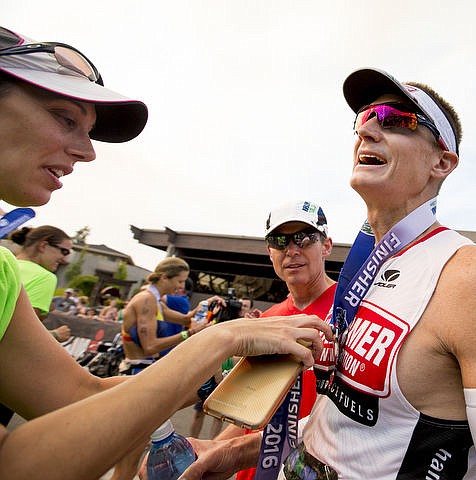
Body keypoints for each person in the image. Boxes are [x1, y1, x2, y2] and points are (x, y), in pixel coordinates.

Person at [179, 68, 476, 480]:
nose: (367, 130)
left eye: (395, 119)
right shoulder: (364, 267)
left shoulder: (473, 277)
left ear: (442, 161)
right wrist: (231, 453)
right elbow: (340, 424)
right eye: (363, 119)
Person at [0, 24, 332, 479]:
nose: (87, 151)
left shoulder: (3, 271)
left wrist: (211, 395)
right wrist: (218, 341)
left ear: (327, 245)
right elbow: (18, 464)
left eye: (305, 238)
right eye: (64, 117)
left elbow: (80, 395)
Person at [202, 200, 338, 480]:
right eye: (280, 241)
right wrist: (209, 452)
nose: (291, 250)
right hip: (255, 468)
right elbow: (250, 411)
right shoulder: (267, 321)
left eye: (304, 238)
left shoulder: (353, 309)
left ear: (326, 246)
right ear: (270, 253)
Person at [8, 225, 72, 342]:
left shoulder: (5, 263)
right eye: (64, 251)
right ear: (43, 246)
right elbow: (20, 333)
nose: (64, 259)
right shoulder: (45, 277)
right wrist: (55, 335)